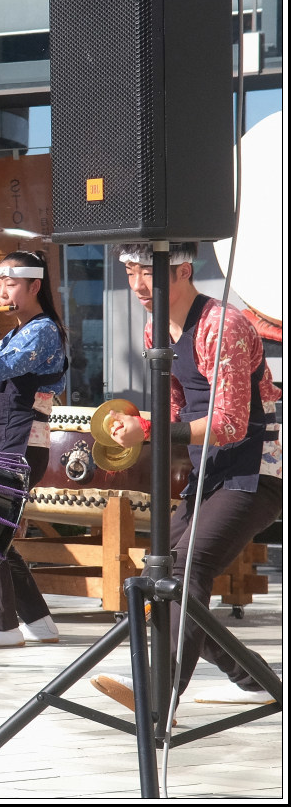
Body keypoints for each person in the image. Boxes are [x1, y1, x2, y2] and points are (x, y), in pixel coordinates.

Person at [91, 242, 281, 709]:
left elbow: (231, 423)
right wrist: (138, 431)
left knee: (187, 565)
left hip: (259, 466)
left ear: (183, 272)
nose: (137, 284)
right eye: (131, 271)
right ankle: (255, 678)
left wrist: (151, 430)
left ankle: (159, 694)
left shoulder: (224, 324)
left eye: (147, 272)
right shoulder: (157, 325)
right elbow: (178, 404)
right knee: (162, 571)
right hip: (212, 468)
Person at [0, 251, 64, 648]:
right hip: (11, 441)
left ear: (35, 286)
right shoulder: (22, 330)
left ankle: (3, 626)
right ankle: (39, 622)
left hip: (21, 442)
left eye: (12, 283)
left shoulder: (41, 331)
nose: (2, 291)